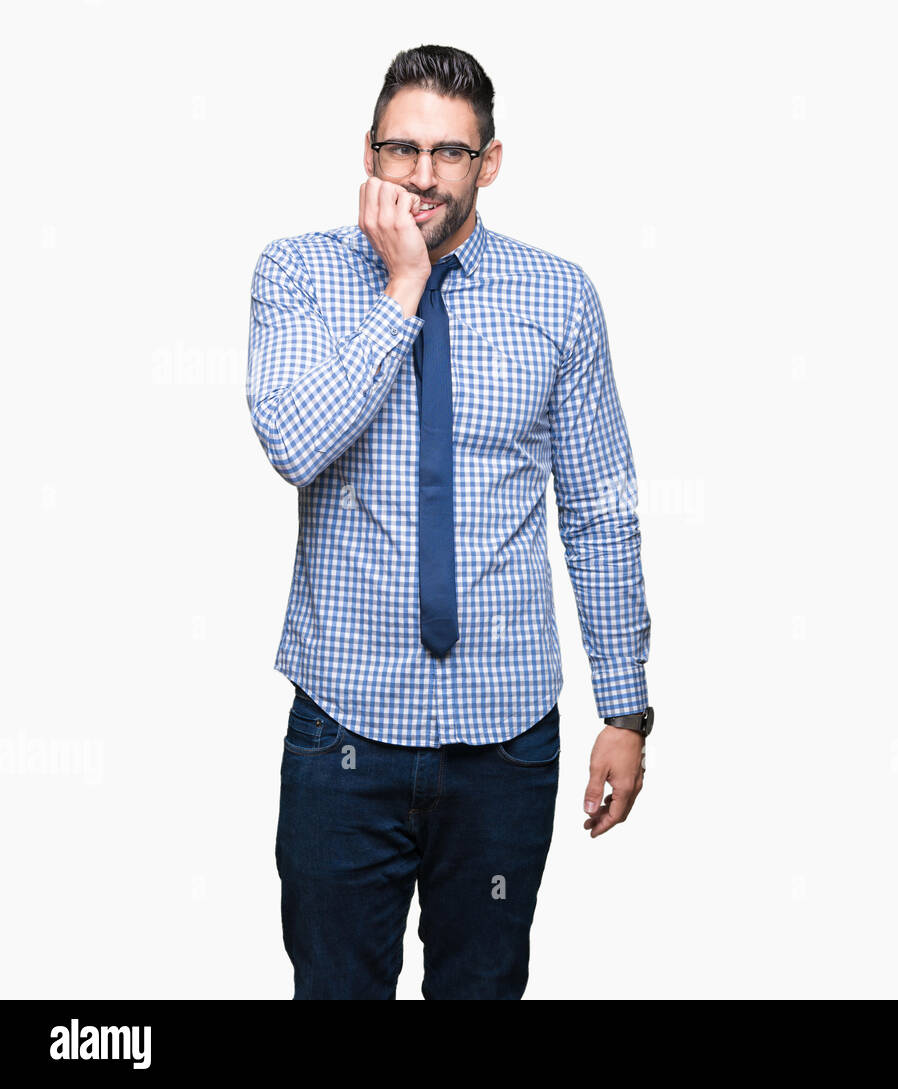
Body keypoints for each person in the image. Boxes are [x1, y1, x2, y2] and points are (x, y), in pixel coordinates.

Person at [244, 43, 653, 1000]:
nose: (423, 174)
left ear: (490, 162)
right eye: (402, 148)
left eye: (450, 153)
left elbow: (599, 509)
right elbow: (295, 445)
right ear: (369, 152)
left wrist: (625, 709)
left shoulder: (560, 296)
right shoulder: (298, 275)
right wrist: (403, 285)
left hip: (506, 743)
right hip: (343, 734)